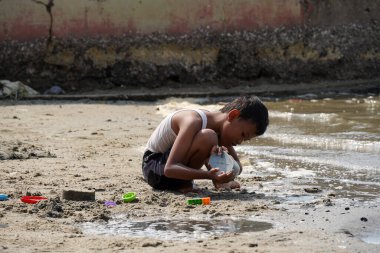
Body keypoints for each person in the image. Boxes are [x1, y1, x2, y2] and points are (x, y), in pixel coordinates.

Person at [141, 95, 269, 193]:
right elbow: (170, 169)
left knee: (213, 142)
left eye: (245, 140)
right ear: (233, 115)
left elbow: (238, 167)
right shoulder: (193, 121)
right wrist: (208, 175)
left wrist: (222, 169)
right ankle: (185, 185)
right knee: (208, 137)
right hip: (155, 169)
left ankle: (213, 183)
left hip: (167, 171)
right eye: (242, 135)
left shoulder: (219, 128)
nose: (240, 142)